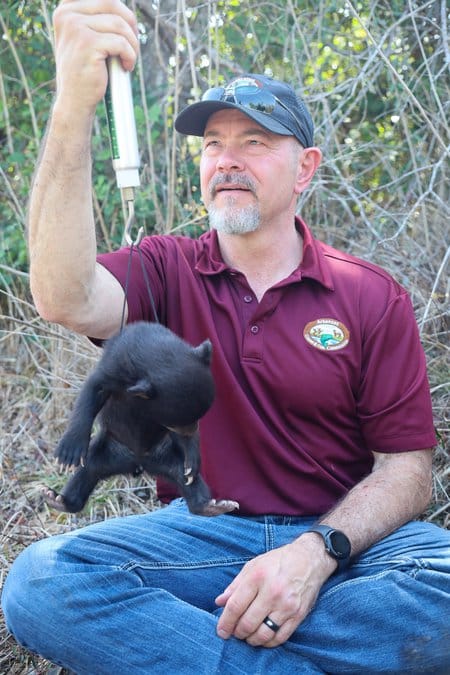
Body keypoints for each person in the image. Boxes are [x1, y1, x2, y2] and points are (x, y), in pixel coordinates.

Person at [2, 1, 449, 673]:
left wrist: (315, 553)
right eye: (214, 143)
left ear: (304, 168)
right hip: (201, 537)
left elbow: (407, 472)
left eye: (255, 142)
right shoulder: (164, 268)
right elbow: (62, 296)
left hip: (340, 543)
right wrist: (72, 104)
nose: (227, 160)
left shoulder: (368, 293)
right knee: (41, 580)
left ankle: (194, 639)